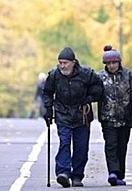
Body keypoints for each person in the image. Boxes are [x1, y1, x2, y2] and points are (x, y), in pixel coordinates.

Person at [42, 47, 104, 188]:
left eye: (65, 63)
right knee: (64, 143)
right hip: (63, 114)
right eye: (60, 63)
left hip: (82, 115)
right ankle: (63, 173)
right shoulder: (54, 75)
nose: (62, 65)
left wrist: (88, 98)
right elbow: (47, 92)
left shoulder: (86, 74)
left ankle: (77, 175)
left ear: (73, 62)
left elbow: (99, 88)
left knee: (81, 147)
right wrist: (48, 110)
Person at [96, 45, 132, 186]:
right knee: (111, 145)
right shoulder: (100, 77)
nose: (111, 66)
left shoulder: (128, 76)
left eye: (113, 63)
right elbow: (93, 92)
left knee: (122, 147)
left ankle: (120, 175)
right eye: (108, 63)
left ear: (119, 62)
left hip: (125, 119)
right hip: (108, 118)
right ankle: (113, 172)